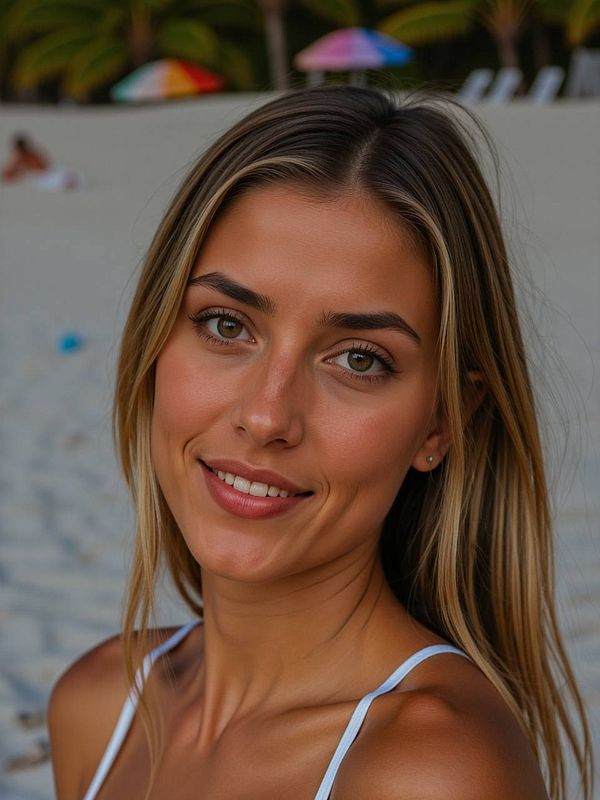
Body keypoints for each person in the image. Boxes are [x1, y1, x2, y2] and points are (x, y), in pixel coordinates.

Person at [48, 87, 593, 800]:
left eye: (359, 358)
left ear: (443, 422)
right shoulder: (97, 705)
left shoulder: (433, 771)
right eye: (225, 325)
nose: (268, 414)